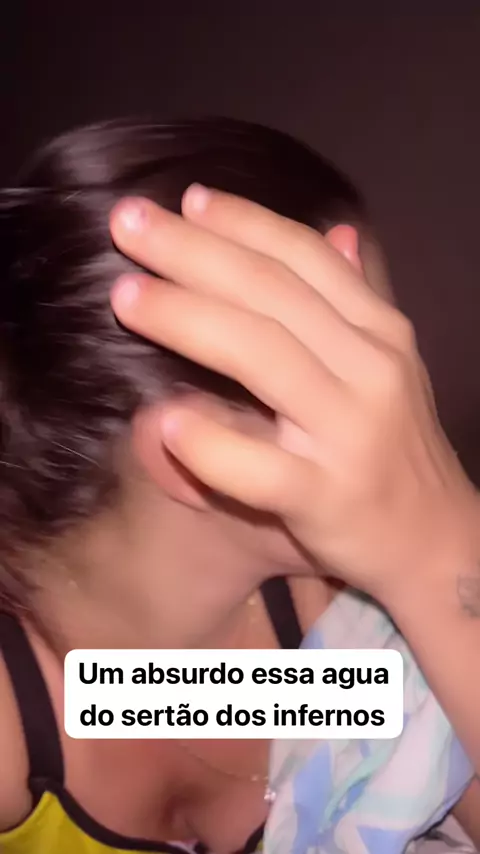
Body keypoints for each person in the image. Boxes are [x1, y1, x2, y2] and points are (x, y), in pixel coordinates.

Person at [0, 117, 476, 854]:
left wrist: (439, 548)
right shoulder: (15, 726)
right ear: (195, 455)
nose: (406, 407)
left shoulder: (336, 617)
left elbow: (133, 696)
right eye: (349, 365)